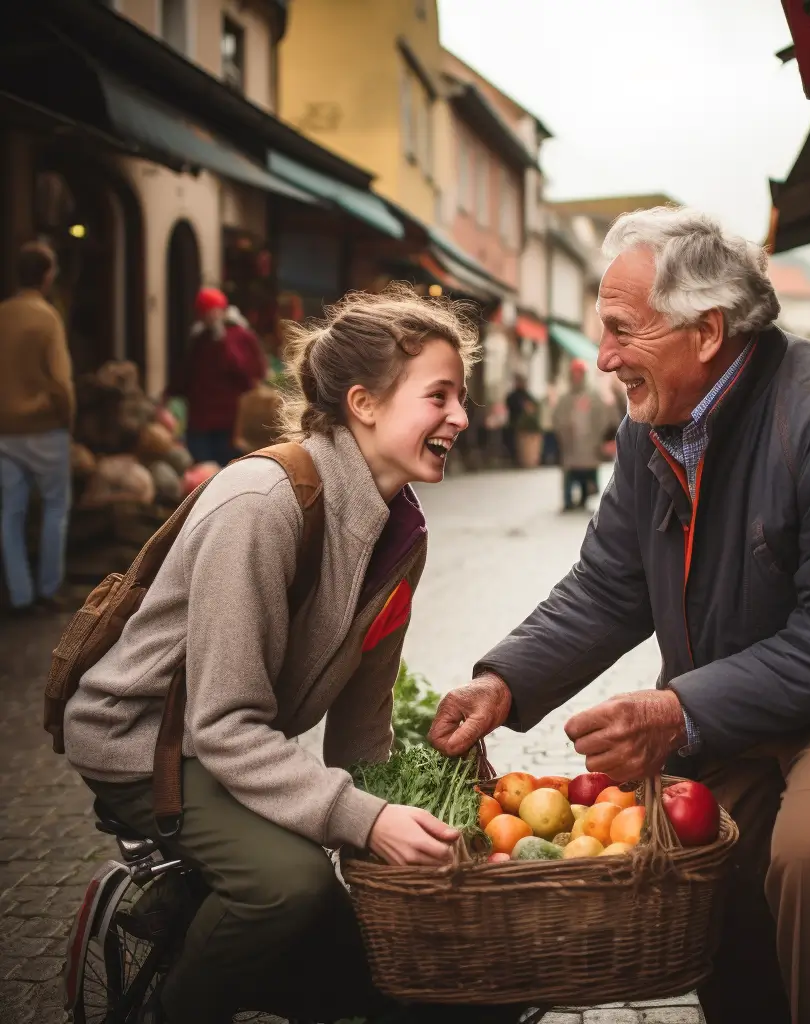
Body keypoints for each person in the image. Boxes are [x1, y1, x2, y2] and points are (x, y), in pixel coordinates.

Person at [428, 207, 810, 1024]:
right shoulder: (648, 427)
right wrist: (503, 681)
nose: (603, 357)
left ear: (706, 331)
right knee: (699, 854)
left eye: (623, 331)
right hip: (739, 699)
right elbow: (607, 585)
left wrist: (680, 707)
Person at [62, 286, 522, 1024]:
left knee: (360, 966)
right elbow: (222, 724)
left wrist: (420, 816)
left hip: (228, 743)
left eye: (461, 398)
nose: (462, 418)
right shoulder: (263, 505)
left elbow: (362, 725)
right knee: (289, 886)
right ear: (365, 403)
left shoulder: (401, 534)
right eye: (440, 395)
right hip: (147, 742)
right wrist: (363, 820)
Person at [0, 241, 74, 616]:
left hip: (4, 431)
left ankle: (19, 592)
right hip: (44, 428)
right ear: (47, 276)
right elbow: (60, 381)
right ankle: (48, 588)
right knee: (55, 507)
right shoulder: (46, 317)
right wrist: (67, 418)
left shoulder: (3, 314)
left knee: (10, 512)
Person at [174, 287, 267, 467]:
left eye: (212, 311)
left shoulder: (240, 336)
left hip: (230, 422)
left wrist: (222, 342)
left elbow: (250, 372)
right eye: (204, 313)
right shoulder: (200, 338)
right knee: (203, 473)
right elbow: (188, 374)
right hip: (200, 421)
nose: (209, 317)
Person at [552, 357, 617, 511]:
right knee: (570, 473)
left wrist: (598, 436)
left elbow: (602, 417)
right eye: (574, 374)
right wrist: (564, 431)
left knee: (586, 473)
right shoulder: (565, 398)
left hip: (589, 443)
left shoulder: (593, 397)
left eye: (579, 374)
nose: (577, 377)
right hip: (571, 444)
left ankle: (584, 497)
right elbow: (557, 418)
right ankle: (568, 500)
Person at [504, 372, 537, 466]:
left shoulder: (527, 395)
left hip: (524, 425)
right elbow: (510, 404)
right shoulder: (513, 396)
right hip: (514, 423)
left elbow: (533, 407)